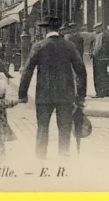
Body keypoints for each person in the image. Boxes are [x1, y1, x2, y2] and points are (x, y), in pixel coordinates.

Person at [19, 16, 87, 159]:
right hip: (65, 94)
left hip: (44, 94)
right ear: (59, 29)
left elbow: (27, 70)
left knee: (42, 127)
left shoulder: (38, 46)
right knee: (65, 127)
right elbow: (81, 71)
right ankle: (63, 156)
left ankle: (41, 156)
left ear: (45, 29)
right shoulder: (69, 46)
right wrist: (81, 95)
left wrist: (22, 94)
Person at [89, 23, 109, 98]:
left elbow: (99, 47)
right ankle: (105, 92)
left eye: (96, 28)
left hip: (99, 59)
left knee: (98, 76)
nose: (94, 30)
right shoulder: (104, 35)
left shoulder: (101, 36)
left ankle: (100, 93)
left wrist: (93, 53)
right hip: (102, 59)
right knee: (103, 75)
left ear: (100, 28)